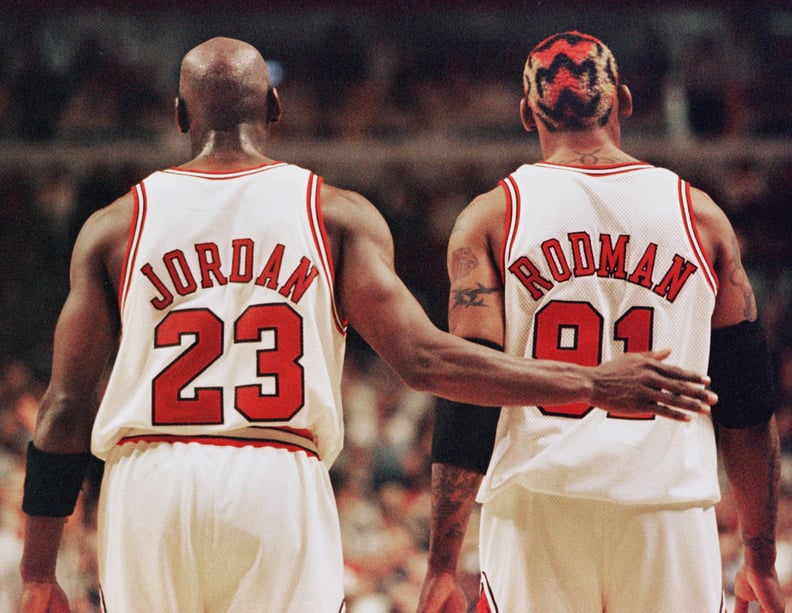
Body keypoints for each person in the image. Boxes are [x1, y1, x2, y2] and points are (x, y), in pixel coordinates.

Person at [18, 37, 716, 613]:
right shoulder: (333, 214)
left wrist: (39, 571)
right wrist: (591, 381)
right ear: (276, 106)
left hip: (151, 481)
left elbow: (63, 409)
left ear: (178, 115)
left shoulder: (114, 228)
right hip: (277, 474)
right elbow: (427, 360)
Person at [417, 31, 784, 613]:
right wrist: (759, 559)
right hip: (666, 509)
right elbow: (747, 404)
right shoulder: (701, 218)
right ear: (626, 102)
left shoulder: (491, 218)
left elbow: (469, 397)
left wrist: (442, 561)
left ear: (524, 114)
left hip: (539, 506)